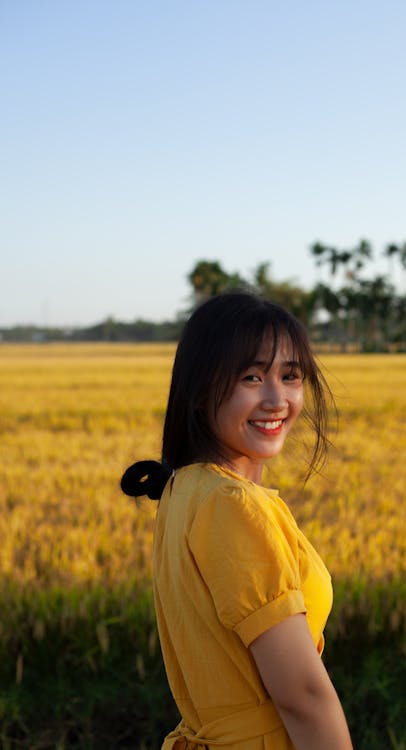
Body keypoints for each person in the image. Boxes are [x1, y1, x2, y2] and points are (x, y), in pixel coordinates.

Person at [121, 291, 353, 750]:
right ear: (203, 388)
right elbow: (302, 696)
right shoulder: (233, 505)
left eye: (290, 376)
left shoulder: (181, 488)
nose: (277, 399)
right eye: (251, 377)